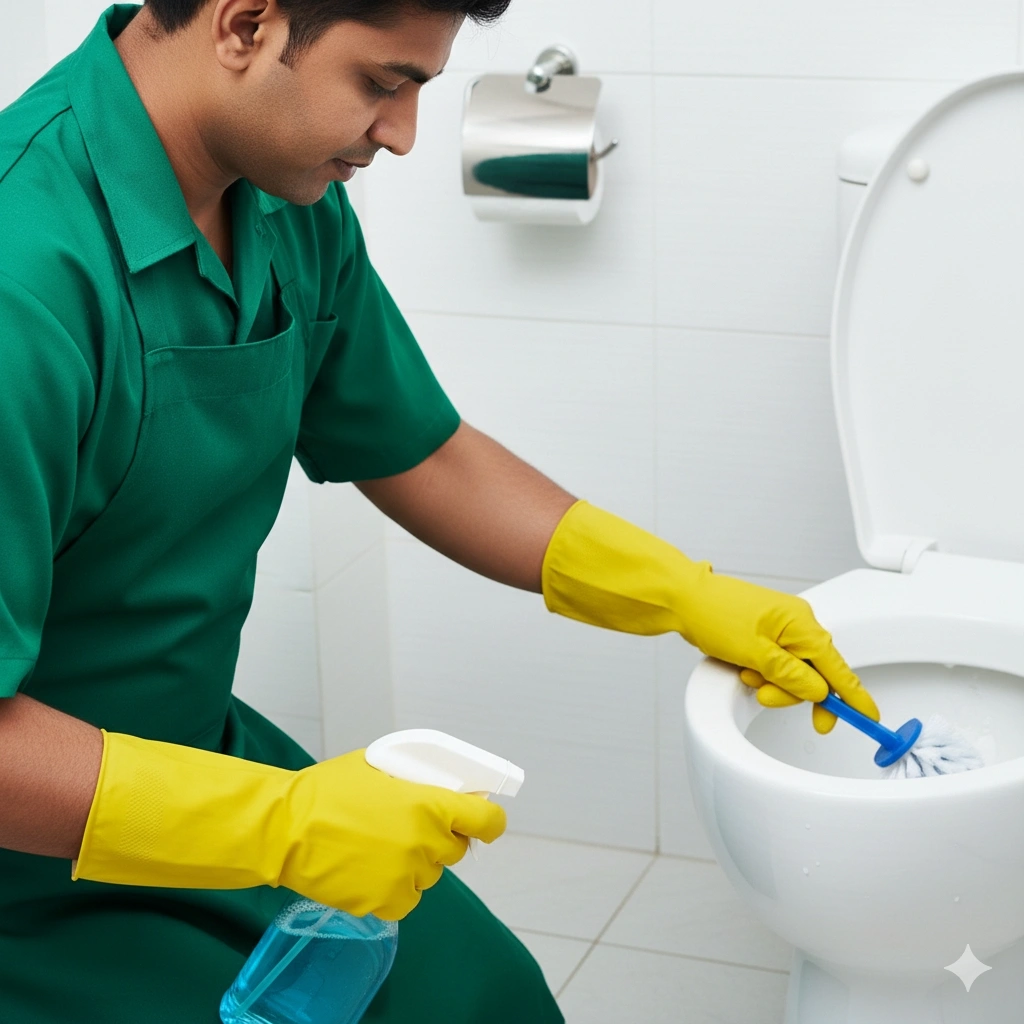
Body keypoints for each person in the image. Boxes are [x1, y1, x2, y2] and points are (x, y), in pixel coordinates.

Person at [0, 2, 881, 1021]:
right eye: (382, 82)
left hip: (194, 764)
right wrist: (283, 821)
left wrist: (683, 592)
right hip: (31, 851)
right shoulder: (25, 271)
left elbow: (422, 452)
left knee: (487, 999)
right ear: (244, 25)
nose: (404, 133)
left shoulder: (280, 200)